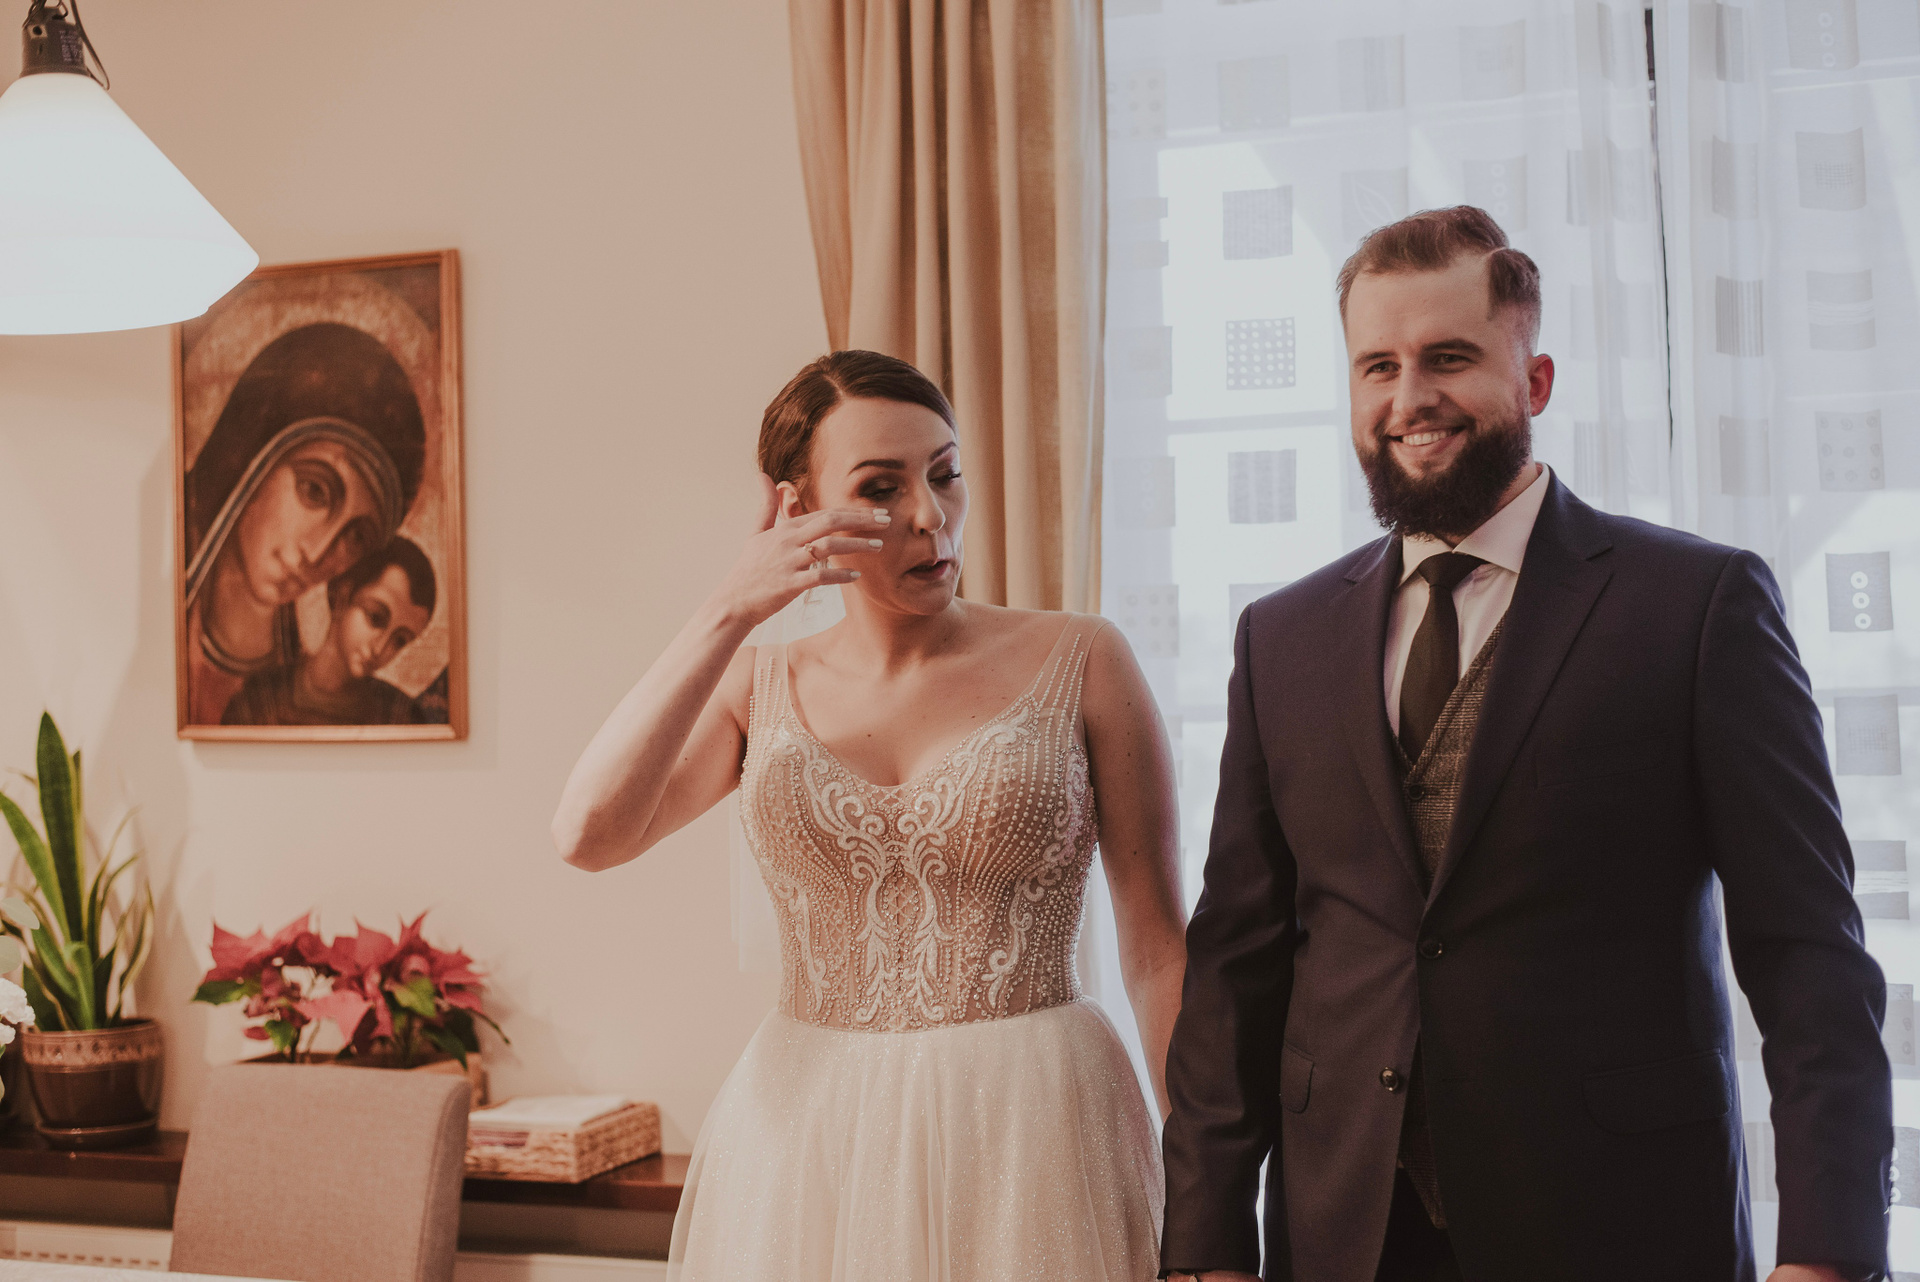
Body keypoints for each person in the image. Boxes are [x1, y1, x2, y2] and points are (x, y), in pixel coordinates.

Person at [1159, 207, 1890, 1282]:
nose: (1410, 397)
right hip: (1346, 1230)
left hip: (1621, 1224)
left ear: (1534, 381)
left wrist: (1829, 1252)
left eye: (1449, 358)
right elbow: (1236, 967)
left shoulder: (1697, 606)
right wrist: (1205, 1246)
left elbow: (1809, 953)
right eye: (1378, 367)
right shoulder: (1282, 638)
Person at [553, 350, 1186, 1281]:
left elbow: (1159, 952)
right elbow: (587, 835)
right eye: (881, 489)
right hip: (810, 1141)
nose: (929, 515)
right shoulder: (756, 686)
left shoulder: (1084, 657)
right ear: (798, 512)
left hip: (1038, 1131)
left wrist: (1211, 1191)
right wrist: (728, 609)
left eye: (945, 473)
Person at [183, 322, 426, 726]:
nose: (317, 554)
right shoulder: (160, 633)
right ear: (252, 462)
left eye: (356, 537)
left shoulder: (297, 686)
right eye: (315, 491)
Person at [222, 537, 437, 726]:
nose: (380, 648)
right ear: (342, 596)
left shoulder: (402, 716)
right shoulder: (259, 699)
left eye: (399, 640)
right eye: (375, 618)